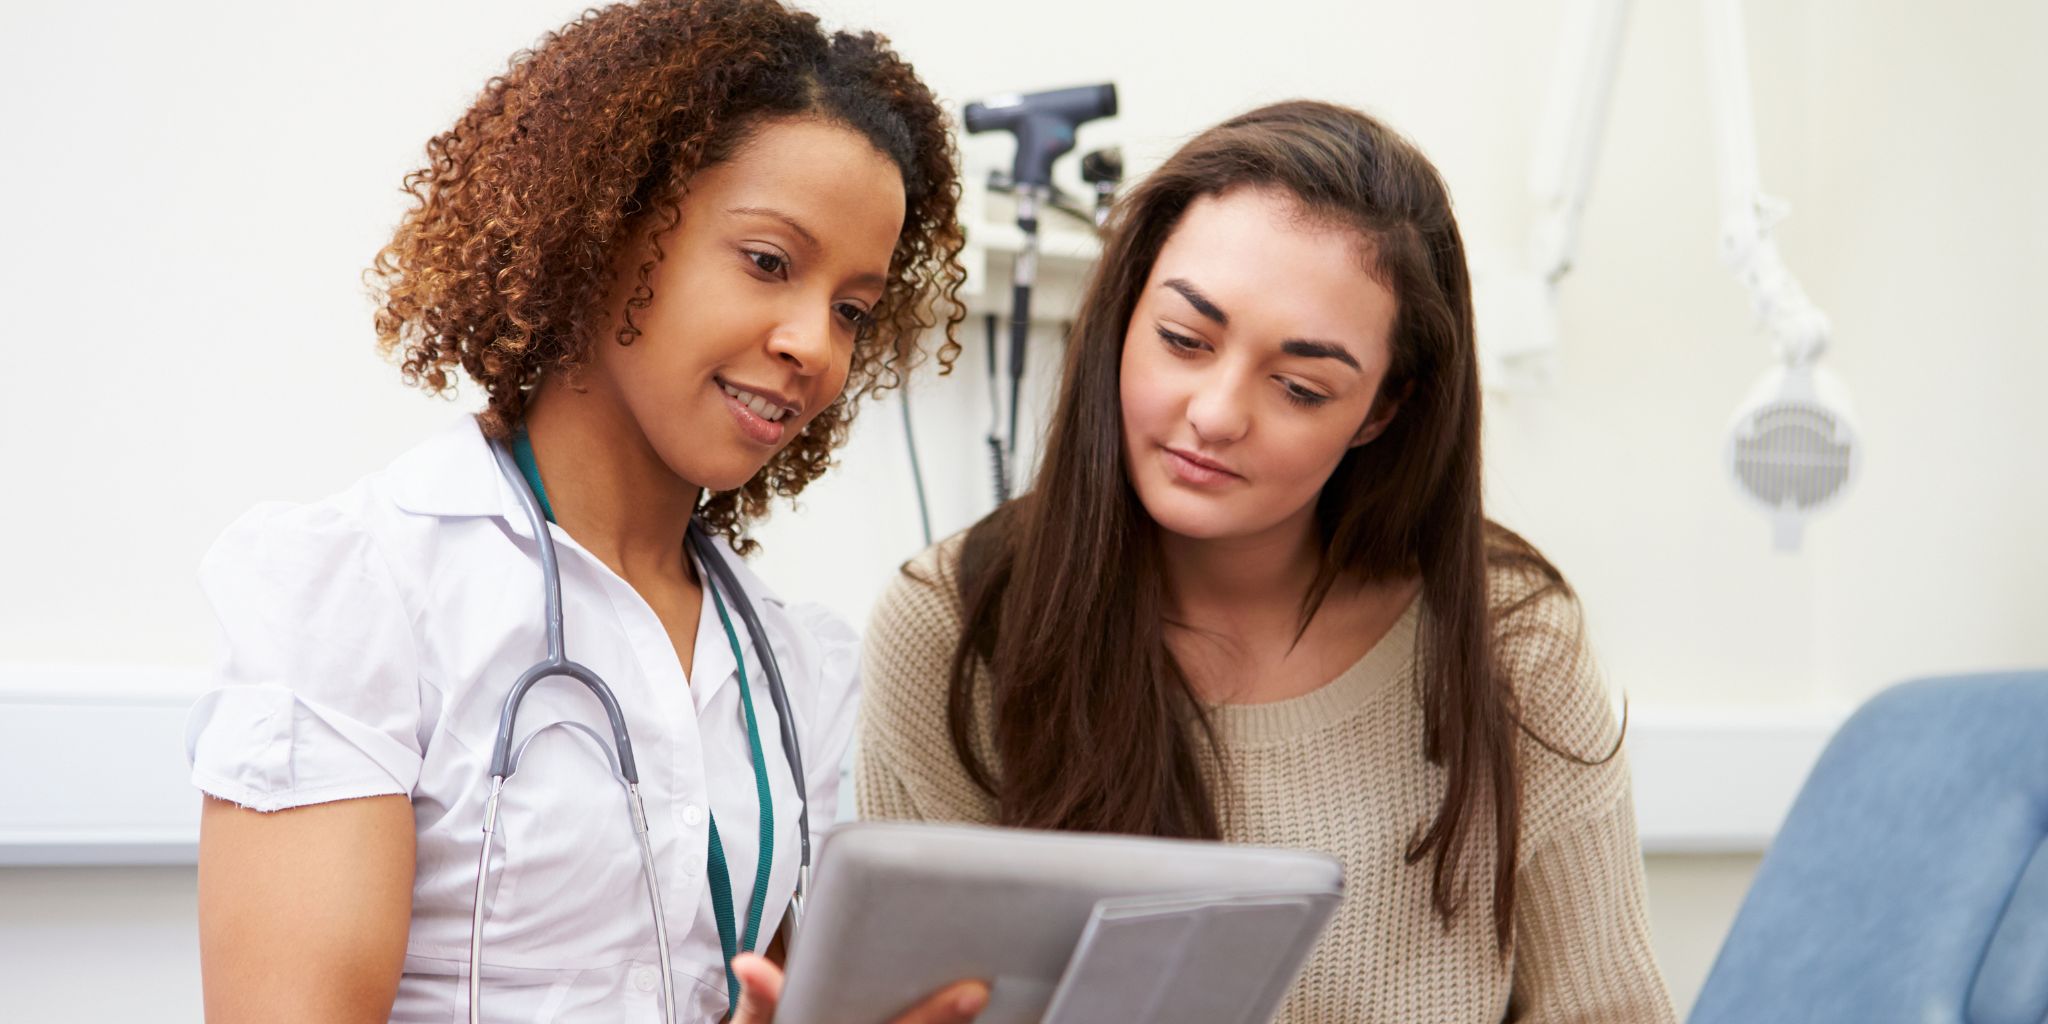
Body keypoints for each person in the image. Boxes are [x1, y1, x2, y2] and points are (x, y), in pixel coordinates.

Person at [186, 2, 985, 1020]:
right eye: (768, 261)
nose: (814, 347)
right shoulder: (362, 593)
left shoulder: (790, 667)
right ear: (605, 227)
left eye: (852, 309)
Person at [856, 100, 1678, 1022]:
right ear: (1126, 311)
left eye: (1299, 387)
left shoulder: (1508, 640)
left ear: (1380, 411)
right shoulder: (955, 625)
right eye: (1183, 339)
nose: (1216, 412)